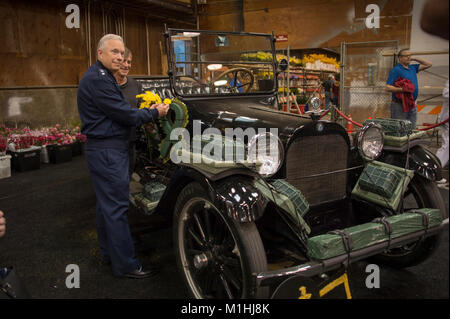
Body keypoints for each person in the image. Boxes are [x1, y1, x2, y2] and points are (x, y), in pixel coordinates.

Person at [77, 34, 169, 279]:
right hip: (108, 150)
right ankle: (126, 264)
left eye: (121, 53)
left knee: (106, 207)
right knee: (117, 208)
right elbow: (126, 115)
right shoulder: (99, 80)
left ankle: (110, 253)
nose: (119, 57)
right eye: (114, 52)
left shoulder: (103, 77)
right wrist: (154, 113)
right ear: (100, 53)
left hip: (108, 148)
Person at [420, 0, 449, 186]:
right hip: (447, 116)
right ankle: (434, 173)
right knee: (447, 144)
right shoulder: (399, 70)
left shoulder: (412, 67)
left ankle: (434, 173)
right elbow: (430, 18)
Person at [385, 48, 432, 129]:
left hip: (411, 103)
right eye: (406, 56)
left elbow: (429, 64)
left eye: (409, 55)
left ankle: (410, 142)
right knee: (400, 129)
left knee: (412, 129)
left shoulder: (412, 68)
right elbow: (387, 87)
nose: (408, 57)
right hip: (399, 105)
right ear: (400, 58)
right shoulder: (396, 70)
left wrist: (414, 58)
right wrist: (403, 89)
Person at [113, 47, 142, 177]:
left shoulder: (135, 85)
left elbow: (141, 108)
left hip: (130, 139)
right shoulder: (107, 85)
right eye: (123, 61)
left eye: (129, 62)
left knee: (128, 172)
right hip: (112, 141)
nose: (126, 65)